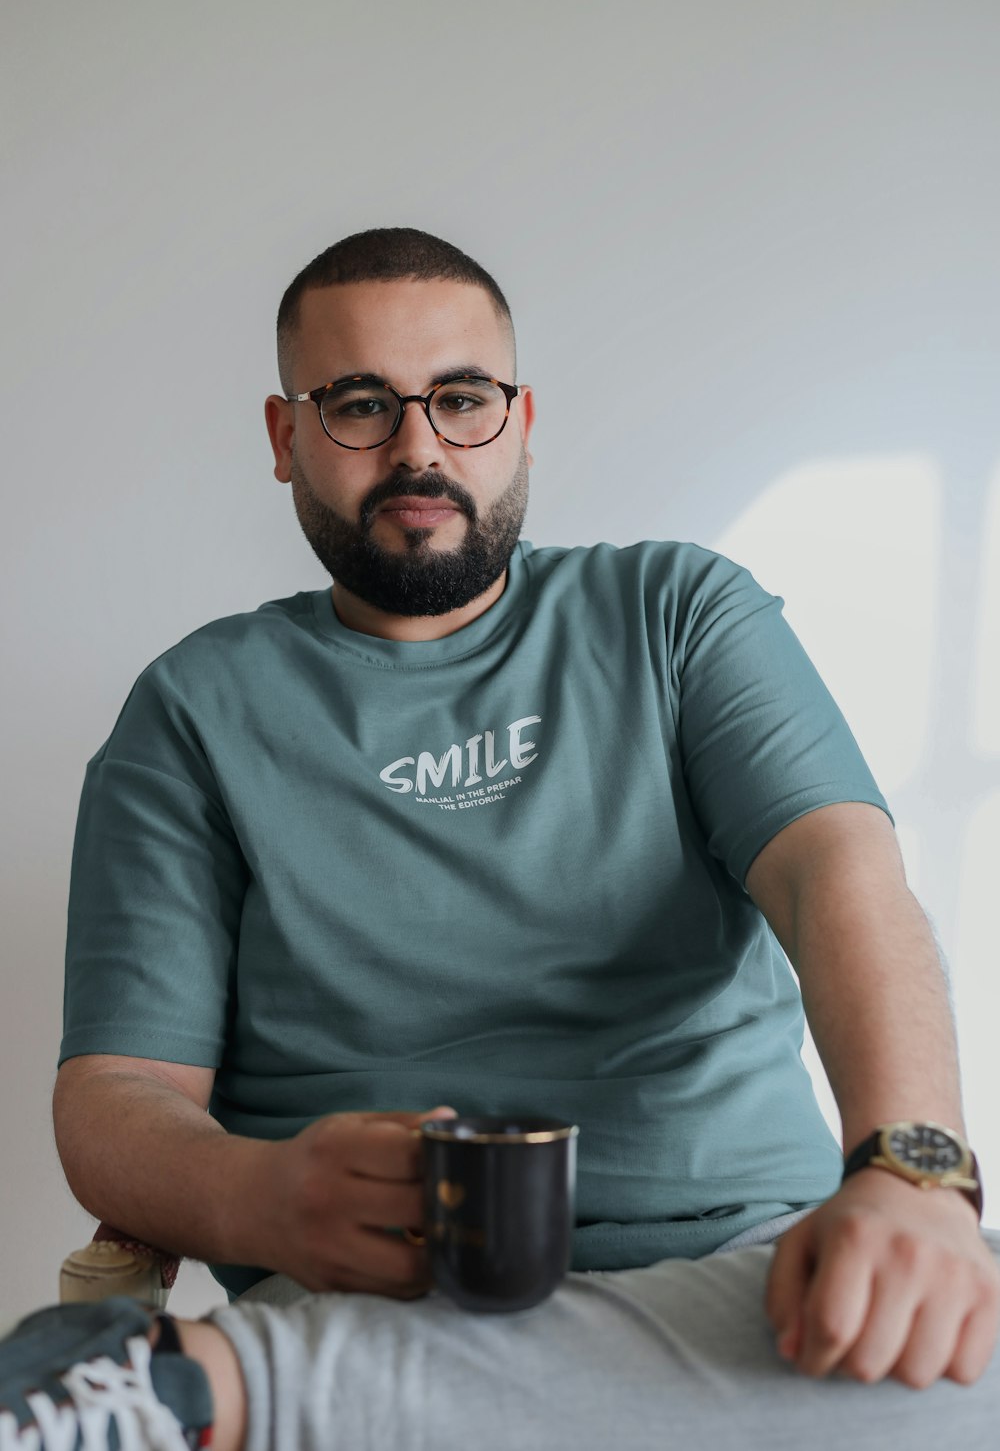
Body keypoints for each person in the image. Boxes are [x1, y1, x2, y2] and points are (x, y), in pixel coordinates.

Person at [3, 226, 998, 1449]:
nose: (418, 446)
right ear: (285, 437)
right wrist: (262, 1199)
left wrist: (912, 1178)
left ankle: (232, 1387)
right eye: (360, 403)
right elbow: (117, 1095)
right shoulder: (193, 711)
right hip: (388, 1292)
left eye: (460, 398)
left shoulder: (679, 615)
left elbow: (842, 874)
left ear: (521, 418)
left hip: (757, 1267)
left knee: (942, 1324)